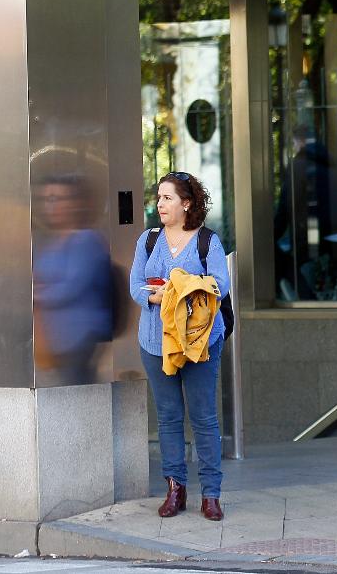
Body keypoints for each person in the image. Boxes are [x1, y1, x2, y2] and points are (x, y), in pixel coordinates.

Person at [130, 172, 230, 521]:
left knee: (204, 419)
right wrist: (160, 296)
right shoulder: (148, 239)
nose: (160, 204)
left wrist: (172, 294)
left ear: (186, 203)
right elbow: (135, 286)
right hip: (154, 342)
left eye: (168, 198)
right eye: (158, 197)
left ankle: (211, 495)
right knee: (169, 418)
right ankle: (175, 489)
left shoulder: (207, 241)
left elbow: (220, 285)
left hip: (199, 344)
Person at [32, 175, 112, 385]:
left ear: (76, 203)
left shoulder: (87, 240)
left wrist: (32, 293)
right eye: (46, 199)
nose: (50, 206)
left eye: (57, 199)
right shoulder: (49, 240)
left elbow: (71, 287)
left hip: (79, 338)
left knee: (77, 395)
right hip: (52, 338)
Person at [273, 125, 337, 300]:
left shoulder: (299, 166)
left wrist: (271, 237)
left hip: (321, 233)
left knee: (285, 262)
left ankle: (309, 304)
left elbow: (284, 210)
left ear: (299, 142)